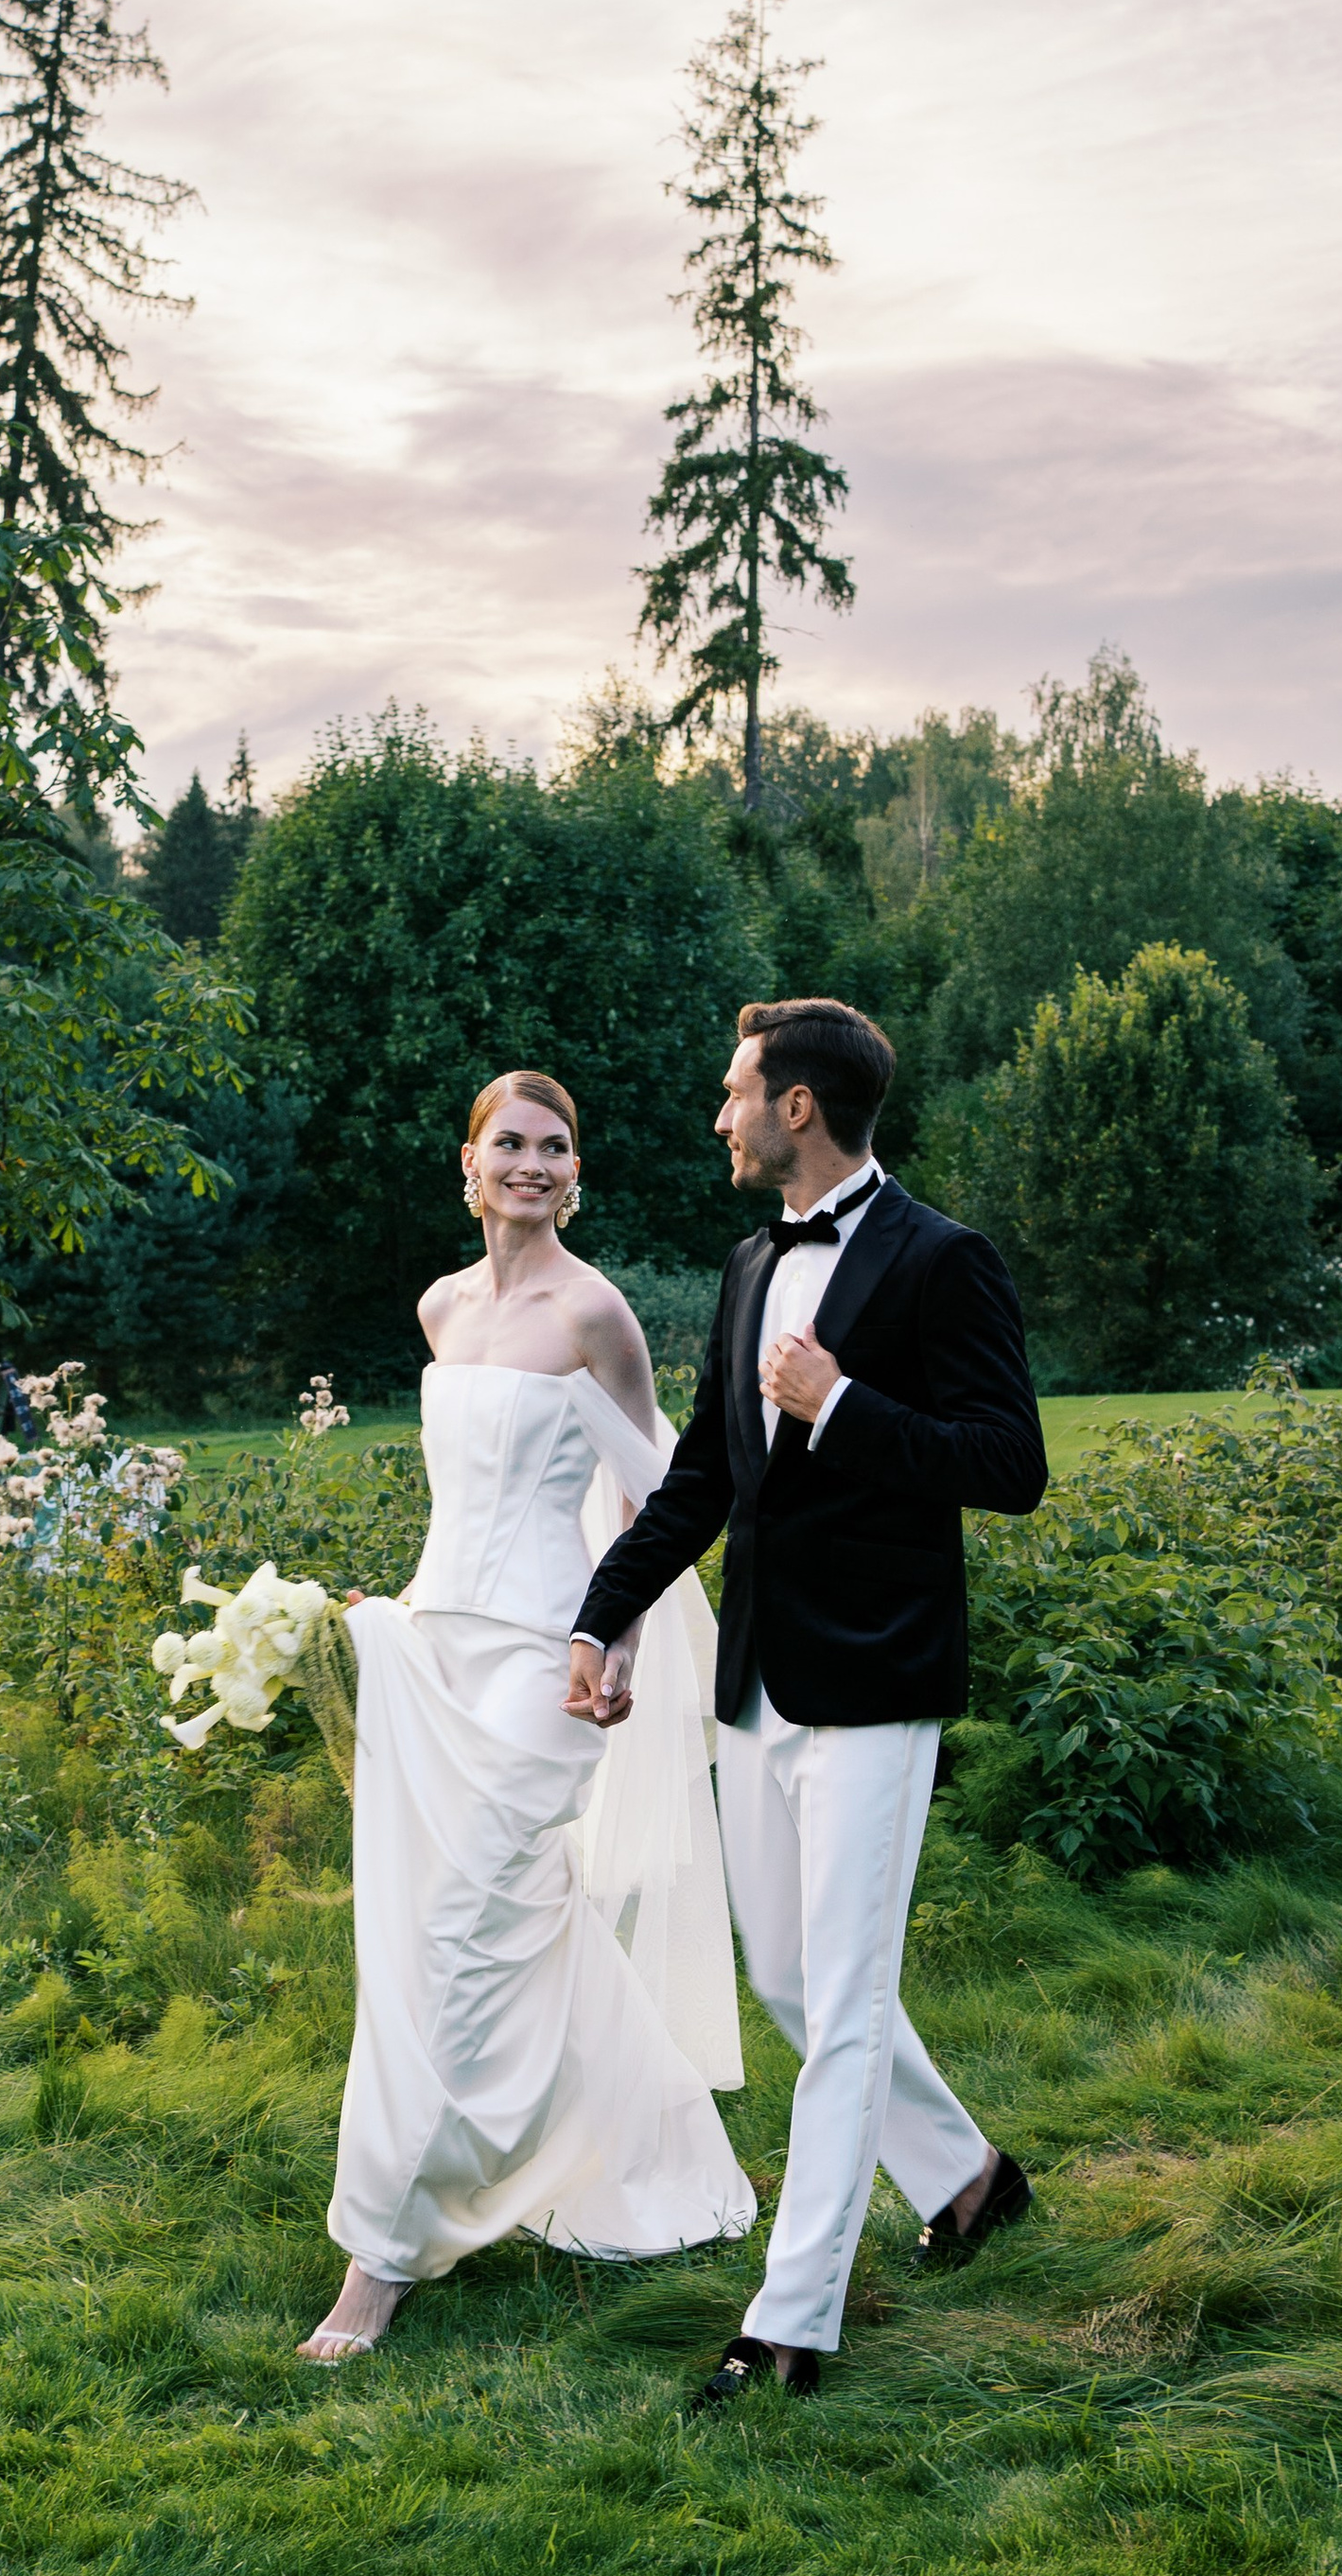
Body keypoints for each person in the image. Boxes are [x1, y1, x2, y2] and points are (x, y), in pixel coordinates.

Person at [569, 997, 1047, 2409]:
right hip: (756, 1681)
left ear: (797, 1107)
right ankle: (969, 2179)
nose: (718, 1115)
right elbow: (707, 1479)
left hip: (879, 1684)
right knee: (786, 1977)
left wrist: (844, 1406)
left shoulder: (944, 1260)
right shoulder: (741, 1266)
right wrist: (603, 1611)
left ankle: (790, 2322)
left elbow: (1009, 1463)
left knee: (842, 2006)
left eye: (735, 1093)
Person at [298, 1068, 755, 2363]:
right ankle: (657, 2145)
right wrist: (381, 1611)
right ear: (469, 1162)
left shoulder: (594, 1311)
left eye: (557, 1147)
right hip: (436, 1643)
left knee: (454, 1930)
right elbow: (467, 1495)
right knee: (481, 1923)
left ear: (576, 1174)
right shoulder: (443, 1307)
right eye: (514, 1143)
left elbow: (656, 1497)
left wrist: (606, 1638)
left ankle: (378, 2257)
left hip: (549, 1660)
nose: (535, 1163)